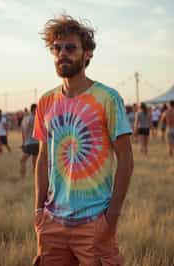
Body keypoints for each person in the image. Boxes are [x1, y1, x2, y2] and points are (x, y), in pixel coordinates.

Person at [33, 15, 134, 266]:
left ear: (87, 53)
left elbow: (126, 159)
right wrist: (38, 211)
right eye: (56, 48)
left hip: (94, 222)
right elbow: (43, 157)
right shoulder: (46, 101)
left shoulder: (107, 98)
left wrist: (111, 218)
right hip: (52, 223)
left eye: (70, 47)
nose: (62, 54)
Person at [20, 104, 39, 178]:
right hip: (35, 143)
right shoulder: (36, 118)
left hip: (29, 143)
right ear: (34, 110)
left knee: (23, 161)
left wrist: (23, 142)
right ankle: (35, 179)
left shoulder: (25, 119)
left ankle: (23, 178)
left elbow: (23, 131)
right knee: (35, 163)